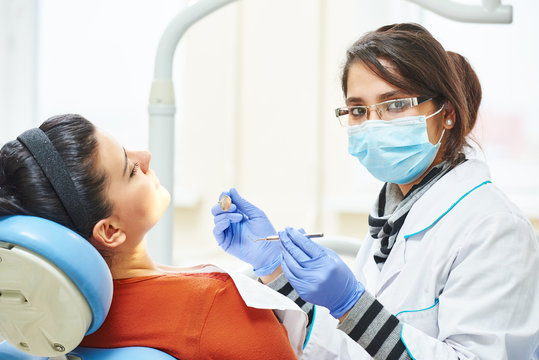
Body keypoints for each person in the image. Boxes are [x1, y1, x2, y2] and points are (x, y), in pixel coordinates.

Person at [211, 23, 539, 359]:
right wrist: (274, 270)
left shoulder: (495, 228)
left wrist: (351, 304)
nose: (372, 124)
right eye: (357, 110)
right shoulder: (394, 218)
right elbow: (348, 349)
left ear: (447, 114)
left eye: (395, 104)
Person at [0, 114, 305, 360]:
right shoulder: (212, 305)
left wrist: (272, 271)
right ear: (110, 231)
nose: (144, 156)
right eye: (130, 170)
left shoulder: (47, 324)